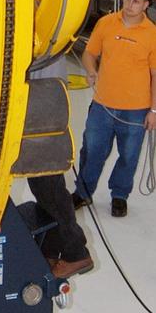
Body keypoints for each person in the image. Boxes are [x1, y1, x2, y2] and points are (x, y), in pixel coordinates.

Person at [75, 0, 156, 218]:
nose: (129, 5)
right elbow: (89, 53)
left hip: (136, 110)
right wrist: (91, 70)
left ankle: (119, 195)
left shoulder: (153, 36)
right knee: (92, 150)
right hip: (102, 106)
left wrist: (154, 112)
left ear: (146, 5)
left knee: (128, 156)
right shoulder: (106, 23)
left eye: (136, 1)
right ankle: (83, 192)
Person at [26, 54, 93, 280]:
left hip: (45, 106)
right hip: (42, 102)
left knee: (49, 186)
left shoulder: (43, 32)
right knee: (41, 184)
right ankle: (51, 250)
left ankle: (76, 252)